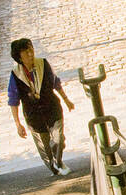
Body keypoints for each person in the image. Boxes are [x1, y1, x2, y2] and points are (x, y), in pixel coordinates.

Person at [7, 37, 75, 175]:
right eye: (26, 52)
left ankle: (59, 161)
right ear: (19, 57)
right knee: (45, 149)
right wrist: (17, 124)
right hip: (34, 116)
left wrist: (66, 99)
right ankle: (54, 168)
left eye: (31, 49)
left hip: (52, 108)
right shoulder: (16, 74)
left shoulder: (43, 64)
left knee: (58, 139)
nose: (31, 54)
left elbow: (55, 82)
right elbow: (13, 100)